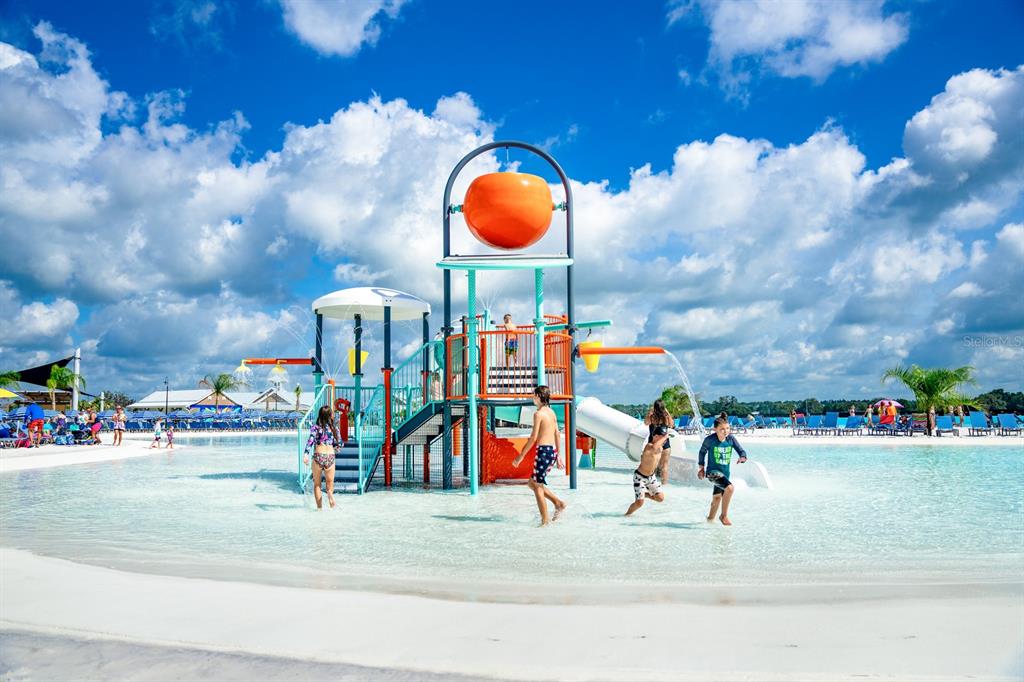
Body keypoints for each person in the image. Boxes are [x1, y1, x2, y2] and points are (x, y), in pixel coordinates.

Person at [512, 385, 566, 525]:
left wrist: (521, 456)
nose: (532, 397)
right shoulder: (551, 412)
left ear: (540, 397)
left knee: (537, 486)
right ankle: (558, 503)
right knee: (532, 483)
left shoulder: (538, 414)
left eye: (534, 395)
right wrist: (558, 455)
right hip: (552, 451)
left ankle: (545, 521)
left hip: (543, 452)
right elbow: (557, 433)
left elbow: (533, 437)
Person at [698, 413, 748, 526]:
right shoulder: (710, 440)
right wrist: (701, 467)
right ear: (715, 429)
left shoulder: (730, 439)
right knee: (729, 488)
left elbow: (741, 450)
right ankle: (723, 515)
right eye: (722, 429)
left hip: (725, 473)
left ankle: (709, 520)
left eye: (727, 428)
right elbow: (702, 452)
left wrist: (743, 457)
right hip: (712, 473)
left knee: (716, 498)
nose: (725, 431)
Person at [303, 405, 339, 509]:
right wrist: (336, 447)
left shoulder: (316, 427)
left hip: (319, 456)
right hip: (330, 457)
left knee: (317, 484)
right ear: (330, 415)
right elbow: (339, 443)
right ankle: (330, 495)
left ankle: (319, 508)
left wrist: (306, 454)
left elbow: (310, 441)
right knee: (329, 483)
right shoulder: (334, 428)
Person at [625, 433, 668, 516]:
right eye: (662, 438)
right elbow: (654, 448)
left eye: (665, 439)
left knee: (660, 498)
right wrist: (665, 436)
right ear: (655, 436)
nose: (665, 440)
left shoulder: (660, 448)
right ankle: (627, 515)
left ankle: (646, 495)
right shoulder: (649, 446)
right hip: (640, 477)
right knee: (639, 503)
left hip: (651, 478)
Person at [644, 399, 674, 483]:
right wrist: (667, 412)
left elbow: (646, 423)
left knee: (651, 465)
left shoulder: (652, 417)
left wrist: (649, 413)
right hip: (665, 443)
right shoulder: (666, 417)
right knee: (664, 466)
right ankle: (665, 485)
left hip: (653, 443)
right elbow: (672, 425)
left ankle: (650, 485)